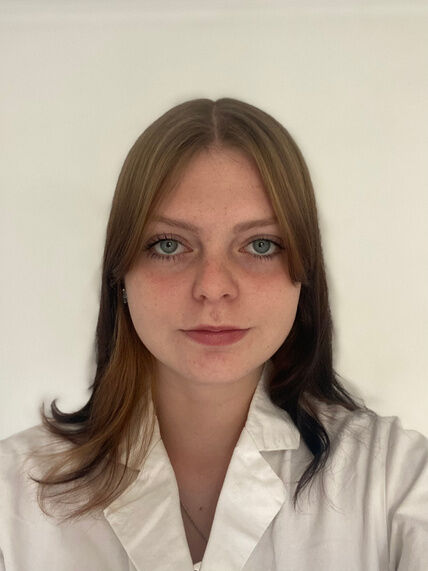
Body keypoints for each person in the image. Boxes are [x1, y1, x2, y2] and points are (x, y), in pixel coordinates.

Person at [0, 98, 427, 571]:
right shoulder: (12, 495)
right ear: (121, 275)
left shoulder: (396, 481)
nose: (213, 287)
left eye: (260, 245)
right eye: (169, 245)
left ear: (303, 274)